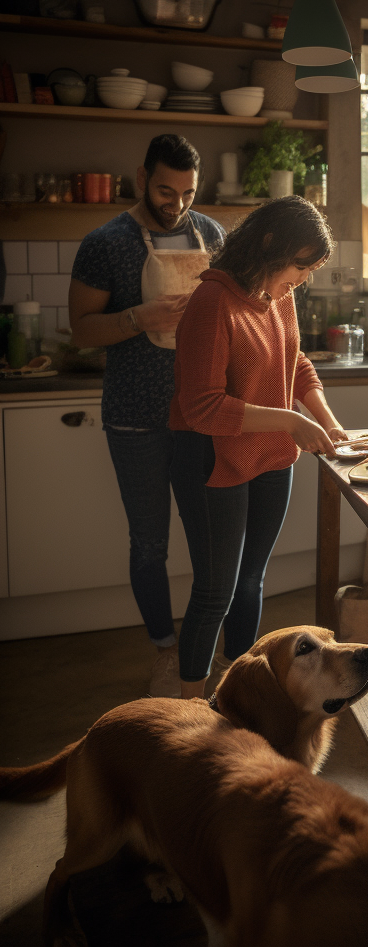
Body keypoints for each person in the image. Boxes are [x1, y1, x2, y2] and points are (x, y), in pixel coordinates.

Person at [169, 196, 348, 700]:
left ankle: (235, 695)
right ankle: (190, 713)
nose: (303, 278)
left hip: (270, 456)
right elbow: (203, 406)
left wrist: (330, 424)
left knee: (251, 580)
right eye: (300, 265)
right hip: (211, 456)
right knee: (215, 591)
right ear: (269, 246)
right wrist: (292, 420)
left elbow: (297, 367)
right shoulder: (212, 301)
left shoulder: (278, 295)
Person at [69, 135, 224, 698]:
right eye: (165, 190)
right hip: (135, 417)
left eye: (187, 192)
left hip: (201, 413)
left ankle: (200, 651)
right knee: (149, 544)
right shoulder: (105, 243)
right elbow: (82, 330)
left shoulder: (212, 235)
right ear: (142, 178)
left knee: (209, 537)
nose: (177, 203)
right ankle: (164, 649)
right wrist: (140, 316)